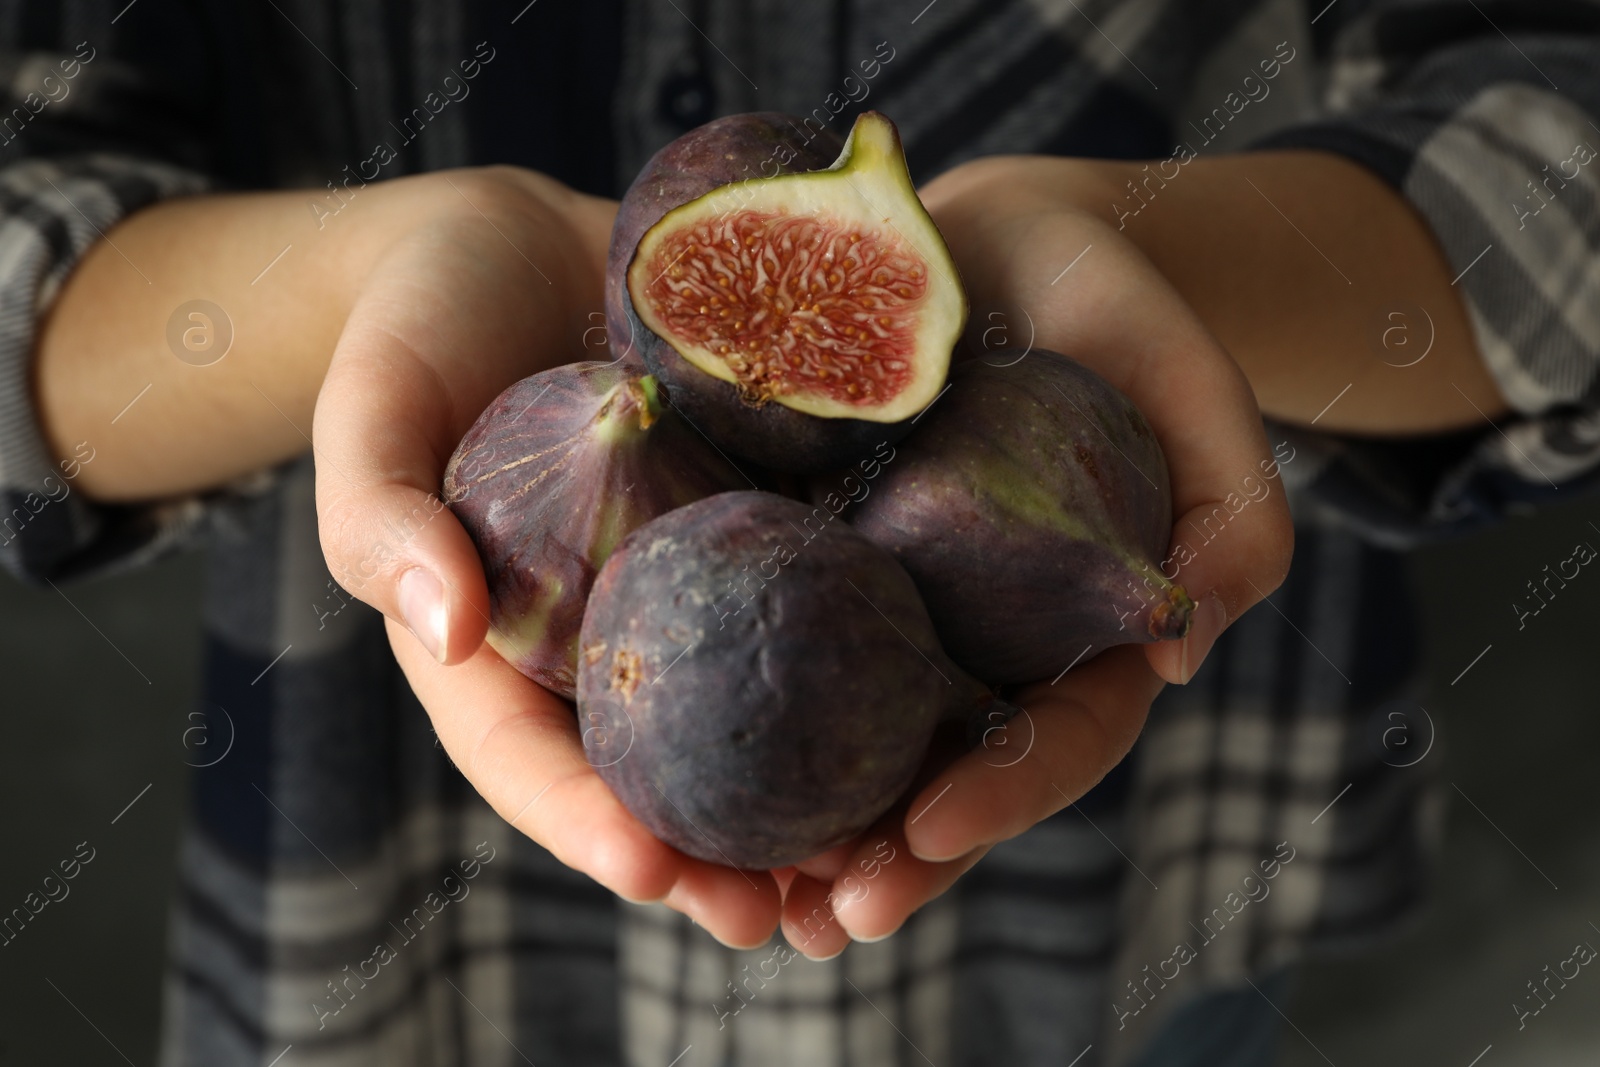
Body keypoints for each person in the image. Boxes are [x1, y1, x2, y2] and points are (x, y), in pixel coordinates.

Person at [3, 0, 1596, 1063]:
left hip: (1120, 899)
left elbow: (1560, 127)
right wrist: (370, 275)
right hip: (391, 900)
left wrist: (1157, 253)